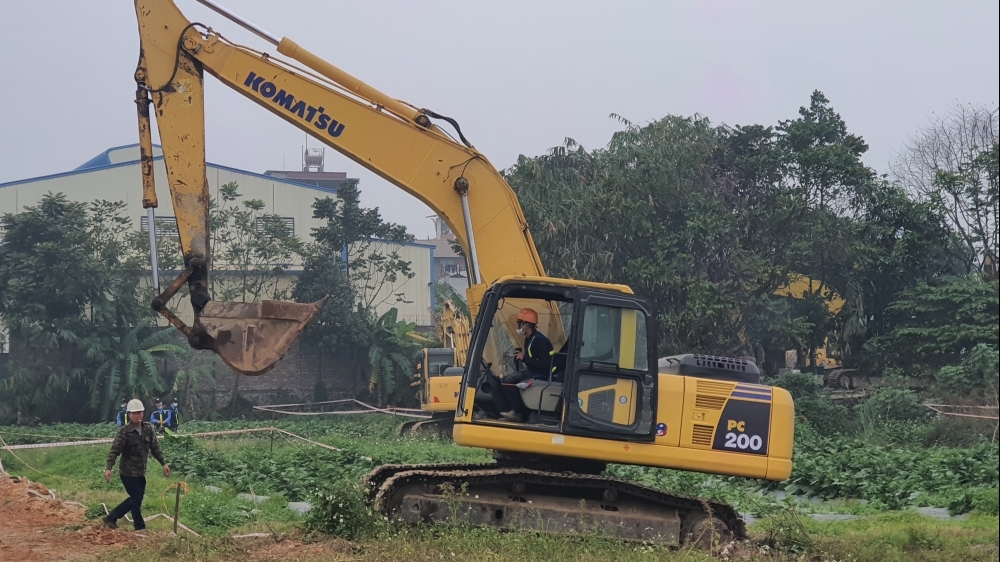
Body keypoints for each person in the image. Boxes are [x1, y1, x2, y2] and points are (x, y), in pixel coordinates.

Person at [103, 399, 170, 532]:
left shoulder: (148, 429)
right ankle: (139, 527)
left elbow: (155, 448)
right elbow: (115, 450)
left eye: (139, 412)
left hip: (140, 472)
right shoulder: (125, 431)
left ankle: (111, 518)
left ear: (143, 413)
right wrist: (109, 468)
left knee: (136, 499)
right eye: (133, 413)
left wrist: (164, 463)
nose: (136, 415)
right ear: (129, 414)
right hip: (127, 472)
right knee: (136, 498)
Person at [492, 308, 554, 422]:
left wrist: (524, 358)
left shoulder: (539, 340)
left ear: (526, 325)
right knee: (503, 379)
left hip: (541, 374)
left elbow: (546, 364)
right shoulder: (530, 338)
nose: (518, 326)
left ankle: (518, 413)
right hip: (533, 371)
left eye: (519, 323)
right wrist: (521, 358)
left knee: (509, 381)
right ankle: (509, 411)